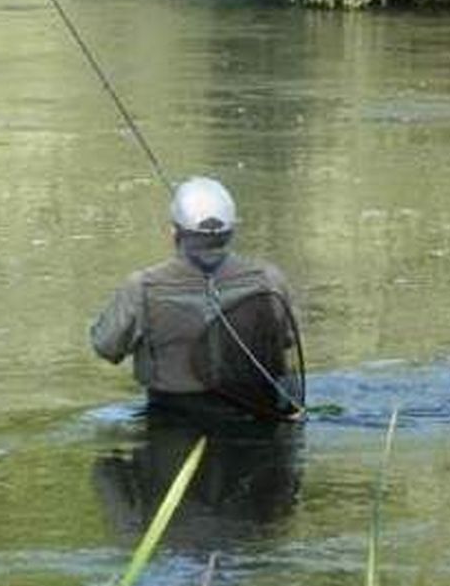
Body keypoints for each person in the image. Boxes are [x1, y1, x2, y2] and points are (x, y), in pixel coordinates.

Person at [91, 176, 304, 420]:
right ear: (231, 232)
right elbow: (287, 340)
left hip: (172, 419)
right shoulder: (269, 279)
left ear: (174, 232)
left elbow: (106, 347)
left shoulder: (141, 287)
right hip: (260, 416)